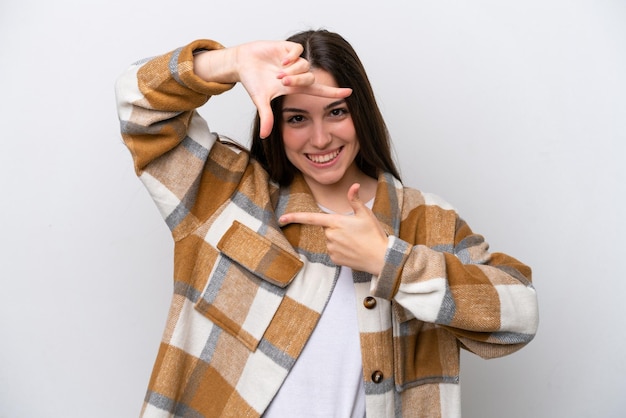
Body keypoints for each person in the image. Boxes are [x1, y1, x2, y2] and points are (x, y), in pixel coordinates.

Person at [115, 29, 539, 418]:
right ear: (276, 125)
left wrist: (391, 263)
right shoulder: (226, 195)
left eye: (336, 112)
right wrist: (230, 61)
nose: (320, 139)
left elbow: (521, 314)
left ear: (362, 113)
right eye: (297, 118)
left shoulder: (427, 222)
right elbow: (139, 106)